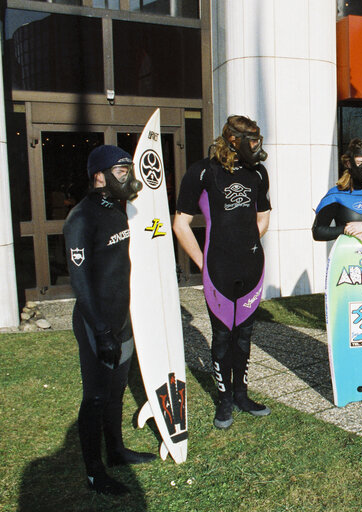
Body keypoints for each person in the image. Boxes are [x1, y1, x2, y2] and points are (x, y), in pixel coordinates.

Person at [63, 145, 155, 495]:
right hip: (95, 322)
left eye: (128, 169)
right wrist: (101, 330)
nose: (128, 176)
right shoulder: (82, 217)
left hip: (122, 319)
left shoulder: (119, 210)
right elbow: (80, 281)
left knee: (116, 392)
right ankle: (94, 471)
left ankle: (115, 451)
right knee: (96, 397)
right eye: (120, 170)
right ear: (98, 176)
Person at [173, 115, 272, 429]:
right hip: (217, 270)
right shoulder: (202, 172)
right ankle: (225, 401)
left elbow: (263, 217)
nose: (257, 147)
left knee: (244, 336)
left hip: (251, 267)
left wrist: (248, 246)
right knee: (222, 336)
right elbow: (180, 224)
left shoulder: (258, 172)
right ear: (233, 140)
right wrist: (205, 264)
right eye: (252, 141)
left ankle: (241, 394)